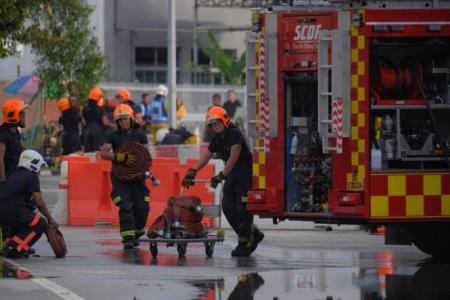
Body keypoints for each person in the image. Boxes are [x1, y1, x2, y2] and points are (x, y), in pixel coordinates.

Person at [182, 106, 264, 257]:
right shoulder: (217, 138)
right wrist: (193, 170)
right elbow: (207, 155)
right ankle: (253, 235)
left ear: (224, 120)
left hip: (244, 176)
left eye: (217, 123)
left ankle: (244, 244)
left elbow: (233, 158)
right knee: (227, 207)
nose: (215, 126)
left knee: (242, 210)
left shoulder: (235, 134)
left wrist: (220, 175)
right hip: (231, 176)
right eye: (212, 124)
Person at [99, 104, 150, 249]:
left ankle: (137, 232)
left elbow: (146, 155)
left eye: (125, 119)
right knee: (126, 206)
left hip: (138, 176)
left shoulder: (140, 135)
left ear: (131, 118)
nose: (123, 122)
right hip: (120, 177)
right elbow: (103, 153)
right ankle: (128, 238)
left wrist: (141, 168)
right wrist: (119, 157)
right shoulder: (113, 135)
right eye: (120, 120)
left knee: (142, 207)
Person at [0, 150, 58, 258]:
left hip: (4, 214)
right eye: (39, 167)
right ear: (33, 163)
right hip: (12, 211)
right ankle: (15, 248)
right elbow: (39, 202)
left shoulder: (14, 175)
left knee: (23, 219)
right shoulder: (31, 176)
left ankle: (11, 244)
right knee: (40, 223)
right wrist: (50, 219)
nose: (40, 171)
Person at [0, 98, 28, 183]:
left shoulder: (15, 132)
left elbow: (22, 147)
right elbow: (0, 157)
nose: (25, 119)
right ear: (15, 116)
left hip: (15, 175)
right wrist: (3, 178)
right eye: (23, 116)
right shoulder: (3, 134)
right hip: (7, 178)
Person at [82, 87, 109, 152]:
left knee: (88, 154)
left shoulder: (85, 109)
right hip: (98, 134)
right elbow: (105, 122)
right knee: (97, 155)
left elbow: (83, 122)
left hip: (87, 133)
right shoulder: (101, 109)